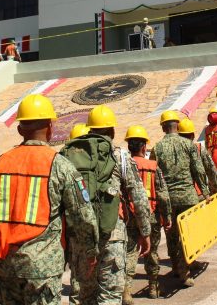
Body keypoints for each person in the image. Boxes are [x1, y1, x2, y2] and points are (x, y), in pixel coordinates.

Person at [0, 94, 98, 305]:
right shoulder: (61, 166)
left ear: (20, 129)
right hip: (43, 270)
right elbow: (83, 217)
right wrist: (89, 253)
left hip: (6, 267)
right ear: (50, 128)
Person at [62, 105, 151, 305]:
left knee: (85, 295)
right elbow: (138, 197)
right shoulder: (120, 157)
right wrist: (145, 232)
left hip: (82, 237)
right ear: (112, 131)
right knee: (110, 295)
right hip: (112, 234)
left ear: (90, 129)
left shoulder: (72, 156)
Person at [150, 111, 210, 287]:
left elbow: (154, 175)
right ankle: (185, 271)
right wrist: (205, 192)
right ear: (177, 125)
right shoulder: (188, 145)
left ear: (163, 127)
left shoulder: (157, 148)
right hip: (188, 196)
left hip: (168, 198)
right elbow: (198, 170)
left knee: (172, 233)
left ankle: (177, 266)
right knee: (188, 233)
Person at [123, 126, 172, 301]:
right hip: (151, 215)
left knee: (130, 252)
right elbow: (163, 195)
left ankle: (126, 290)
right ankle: (153, 287)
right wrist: (167, 216)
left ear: (129, 146)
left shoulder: (124, 166)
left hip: (129, 215)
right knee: (152, 251)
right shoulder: (153, 166)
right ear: (144, 147)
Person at [178, 118, 217, 196]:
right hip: (198, 193)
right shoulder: (199, 149)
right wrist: (214, 188)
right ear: (193, 135)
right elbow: (211, 170)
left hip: (175, 195)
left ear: (178, 135)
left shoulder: (172, 150)